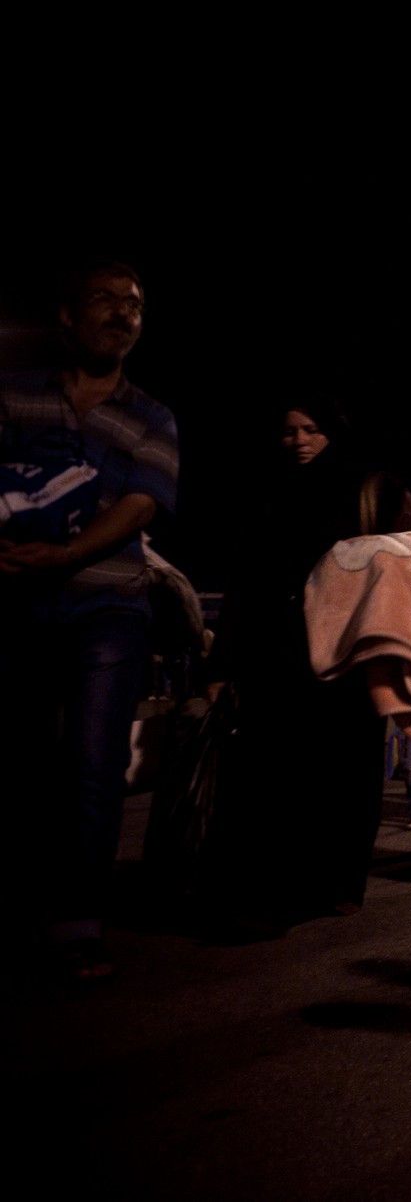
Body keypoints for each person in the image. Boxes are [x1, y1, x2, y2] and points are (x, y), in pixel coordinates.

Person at [0, 261, 179, 982]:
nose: (122, 311)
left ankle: (77, 921)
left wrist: (66, 551)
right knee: (17, 760)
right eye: (105, 298)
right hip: (15, 599)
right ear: (68, 315)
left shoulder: (153, 416)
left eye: (134, 302)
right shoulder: (13, 395)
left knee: (93, 759)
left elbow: (142, 505)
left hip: (109, 604)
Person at [203, 393, 411, 936]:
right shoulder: (265, 494)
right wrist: (221, 664)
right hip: (273, 657)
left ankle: (340, 880)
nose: (299, 441)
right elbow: (243, 583)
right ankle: (271, 895)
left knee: (346, 774)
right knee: (274, 774)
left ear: (333, 431)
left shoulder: (371, 488)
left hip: (347, 659)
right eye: (289, 431)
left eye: (311, 429)